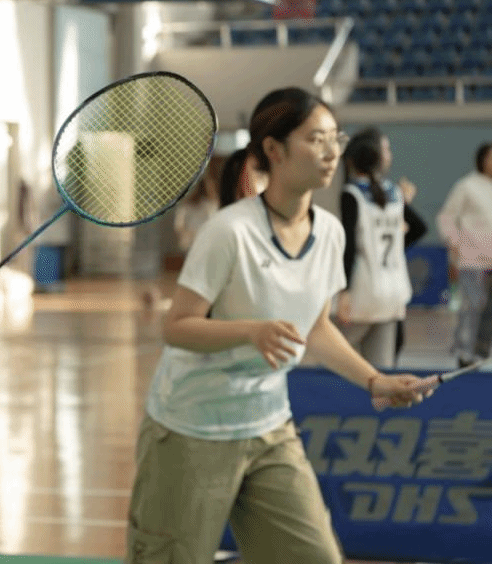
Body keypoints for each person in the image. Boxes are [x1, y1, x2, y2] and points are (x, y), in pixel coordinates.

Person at [126, 88, 426, 564]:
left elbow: (317, 328)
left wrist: (375, 380)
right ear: (274, 149)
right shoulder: (230, 231)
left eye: (335, 139)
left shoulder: (330, 232)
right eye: (315, 139)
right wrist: (251, 331)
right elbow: (177, 326)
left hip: (269, 426)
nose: (331, 152)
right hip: (191, 429)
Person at [335, 128, 415, 367]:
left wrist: (344, 291)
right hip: (395, 291)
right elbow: (418, 228)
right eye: (386, 149)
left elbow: (349, 247)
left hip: (365, 290)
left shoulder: (352, 193)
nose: (390, 154)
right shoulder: (395, 193)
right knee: (380, 372)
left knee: (336, 361)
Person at [436, 143, 492, 367]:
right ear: (482, 160)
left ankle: (481, 353)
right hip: (472, 261)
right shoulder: (467, 186)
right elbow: (446, 217)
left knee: (489, 312)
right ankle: (463, 353)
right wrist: (455, 243)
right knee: (473, 307)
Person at [172, 176, 218, 253]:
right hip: (194, 244)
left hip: (201, 243)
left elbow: (178, 226)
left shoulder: (214, 205)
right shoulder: (187, 205)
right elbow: (179, 226)